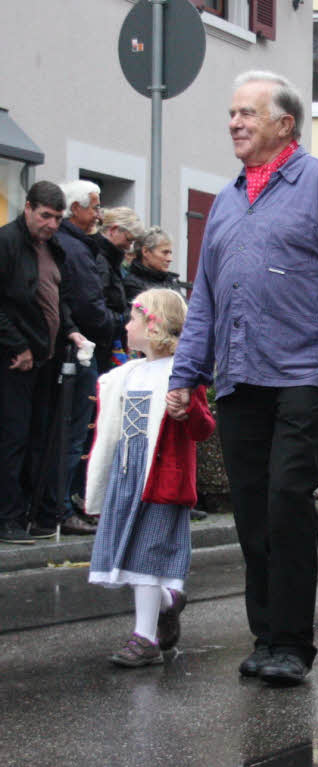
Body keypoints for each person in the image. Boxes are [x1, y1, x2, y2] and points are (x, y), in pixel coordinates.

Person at [167, 70, 318, 687]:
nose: (234, 122)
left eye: (247, 113)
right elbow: (203, 297)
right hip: (239, 377)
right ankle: (265, 637)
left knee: (288, 499)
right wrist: (188, 372)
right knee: (251, 512)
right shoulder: (227, 199)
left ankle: (293, 643)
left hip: (305, 371)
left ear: (284, 124)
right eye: (232, 113)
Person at [86, 289, 215, 666]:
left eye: (133, 319)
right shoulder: (126, 374)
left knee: (146, 559)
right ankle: (168, 600)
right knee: (129, 557)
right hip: (128, 476)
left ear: (153, 323)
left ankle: (145, 640)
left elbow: (203, 429)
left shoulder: (183, 373)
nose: (126, 326)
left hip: (161, 479)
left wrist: (188, 408)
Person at [0, 181, 88, 544]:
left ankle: (32, 514)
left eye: (58, 218)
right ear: (29, 209)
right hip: (15, 360)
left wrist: (71, 331)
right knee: (13, 439)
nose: (52, 224)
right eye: (46, 216)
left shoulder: (52, 248)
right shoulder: (7, 242)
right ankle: (8, 519)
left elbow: (57, 299)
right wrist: (16, 346)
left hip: (45, 359)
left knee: (40, 439)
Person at [56, 179, 119, 536]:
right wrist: (113, 323)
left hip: (81, 344)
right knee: (76, 430)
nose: (98, 213)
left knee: (78, 429)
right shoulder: (77, 250)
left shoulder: (77, 245)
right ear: (75, 208)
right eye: (94, 206)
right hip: (82, 349)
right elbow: (88, 303)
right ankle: (63, 506)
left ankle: (68, 500)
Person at [92, 207, 144, 372]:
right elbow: (98, 303)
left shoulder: (109, 260)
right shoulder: (102, 261)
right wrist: (121, 318)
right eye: (129, 240)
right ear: (114, 230)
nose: (129, 247)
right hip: (102, 343)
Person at [123, 227, 184, 302]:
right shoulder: (132, 285)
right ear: (145, 252)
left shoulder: (171, 281)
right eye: (165, 252)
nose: (170, 259)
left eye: (170, 253)